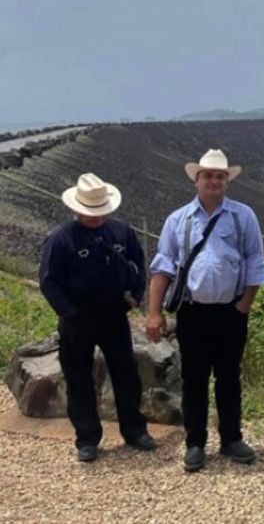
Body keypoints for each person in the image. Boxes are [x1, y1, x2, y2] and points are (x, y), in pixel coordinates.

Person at [145, 149, 264, 472]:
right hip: (193, 312)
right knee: (194, 380)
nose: (214, 181)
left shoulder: (244, 217)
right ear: (196, 179)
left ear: (227, 181)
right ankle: (195, 443)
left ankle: (231, 439)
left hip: (231, 312)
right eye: (208, 175)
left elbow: (255, 261)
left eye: (220, 176)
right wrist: (154, 313)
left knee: (229, 377)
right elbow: (163, 268)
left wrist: (244, 305)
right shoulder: (178, 220)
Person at [39, 173, 156, 462]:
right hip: (77, 319)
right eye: (92, 212)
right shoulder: (60, 238)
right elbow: (49, 281)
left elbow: (138, 263)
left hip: (115, 315)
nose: (97, 217)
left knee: (126, 373)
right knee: (79, 377)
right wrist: (70, 312)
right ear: (77, 208)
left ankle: (134, 430)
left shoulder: (120, 231)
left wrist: (137, 294)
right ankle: (87, 438)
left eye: (101, 211)